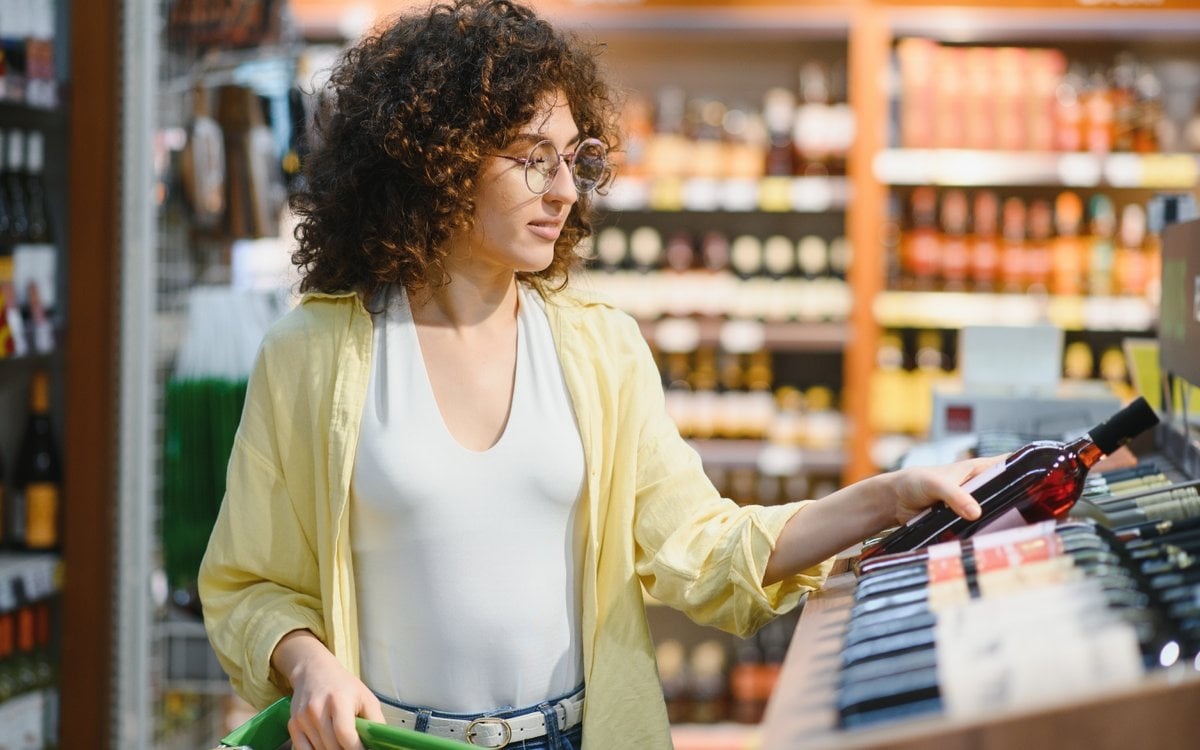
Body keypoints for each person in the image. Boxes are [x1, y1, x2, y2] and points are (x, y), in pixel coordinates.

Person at [198, 1, 990, 748]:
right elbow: (248, 584)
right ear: (439, 161)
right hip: (393, 741)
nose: (566, 191)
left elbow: (700, 546)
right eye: (533, 159)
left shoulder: (596, 348)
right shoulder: (312, 355)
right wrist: (308, 663)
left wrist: (889, 496)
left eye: (576, 160)